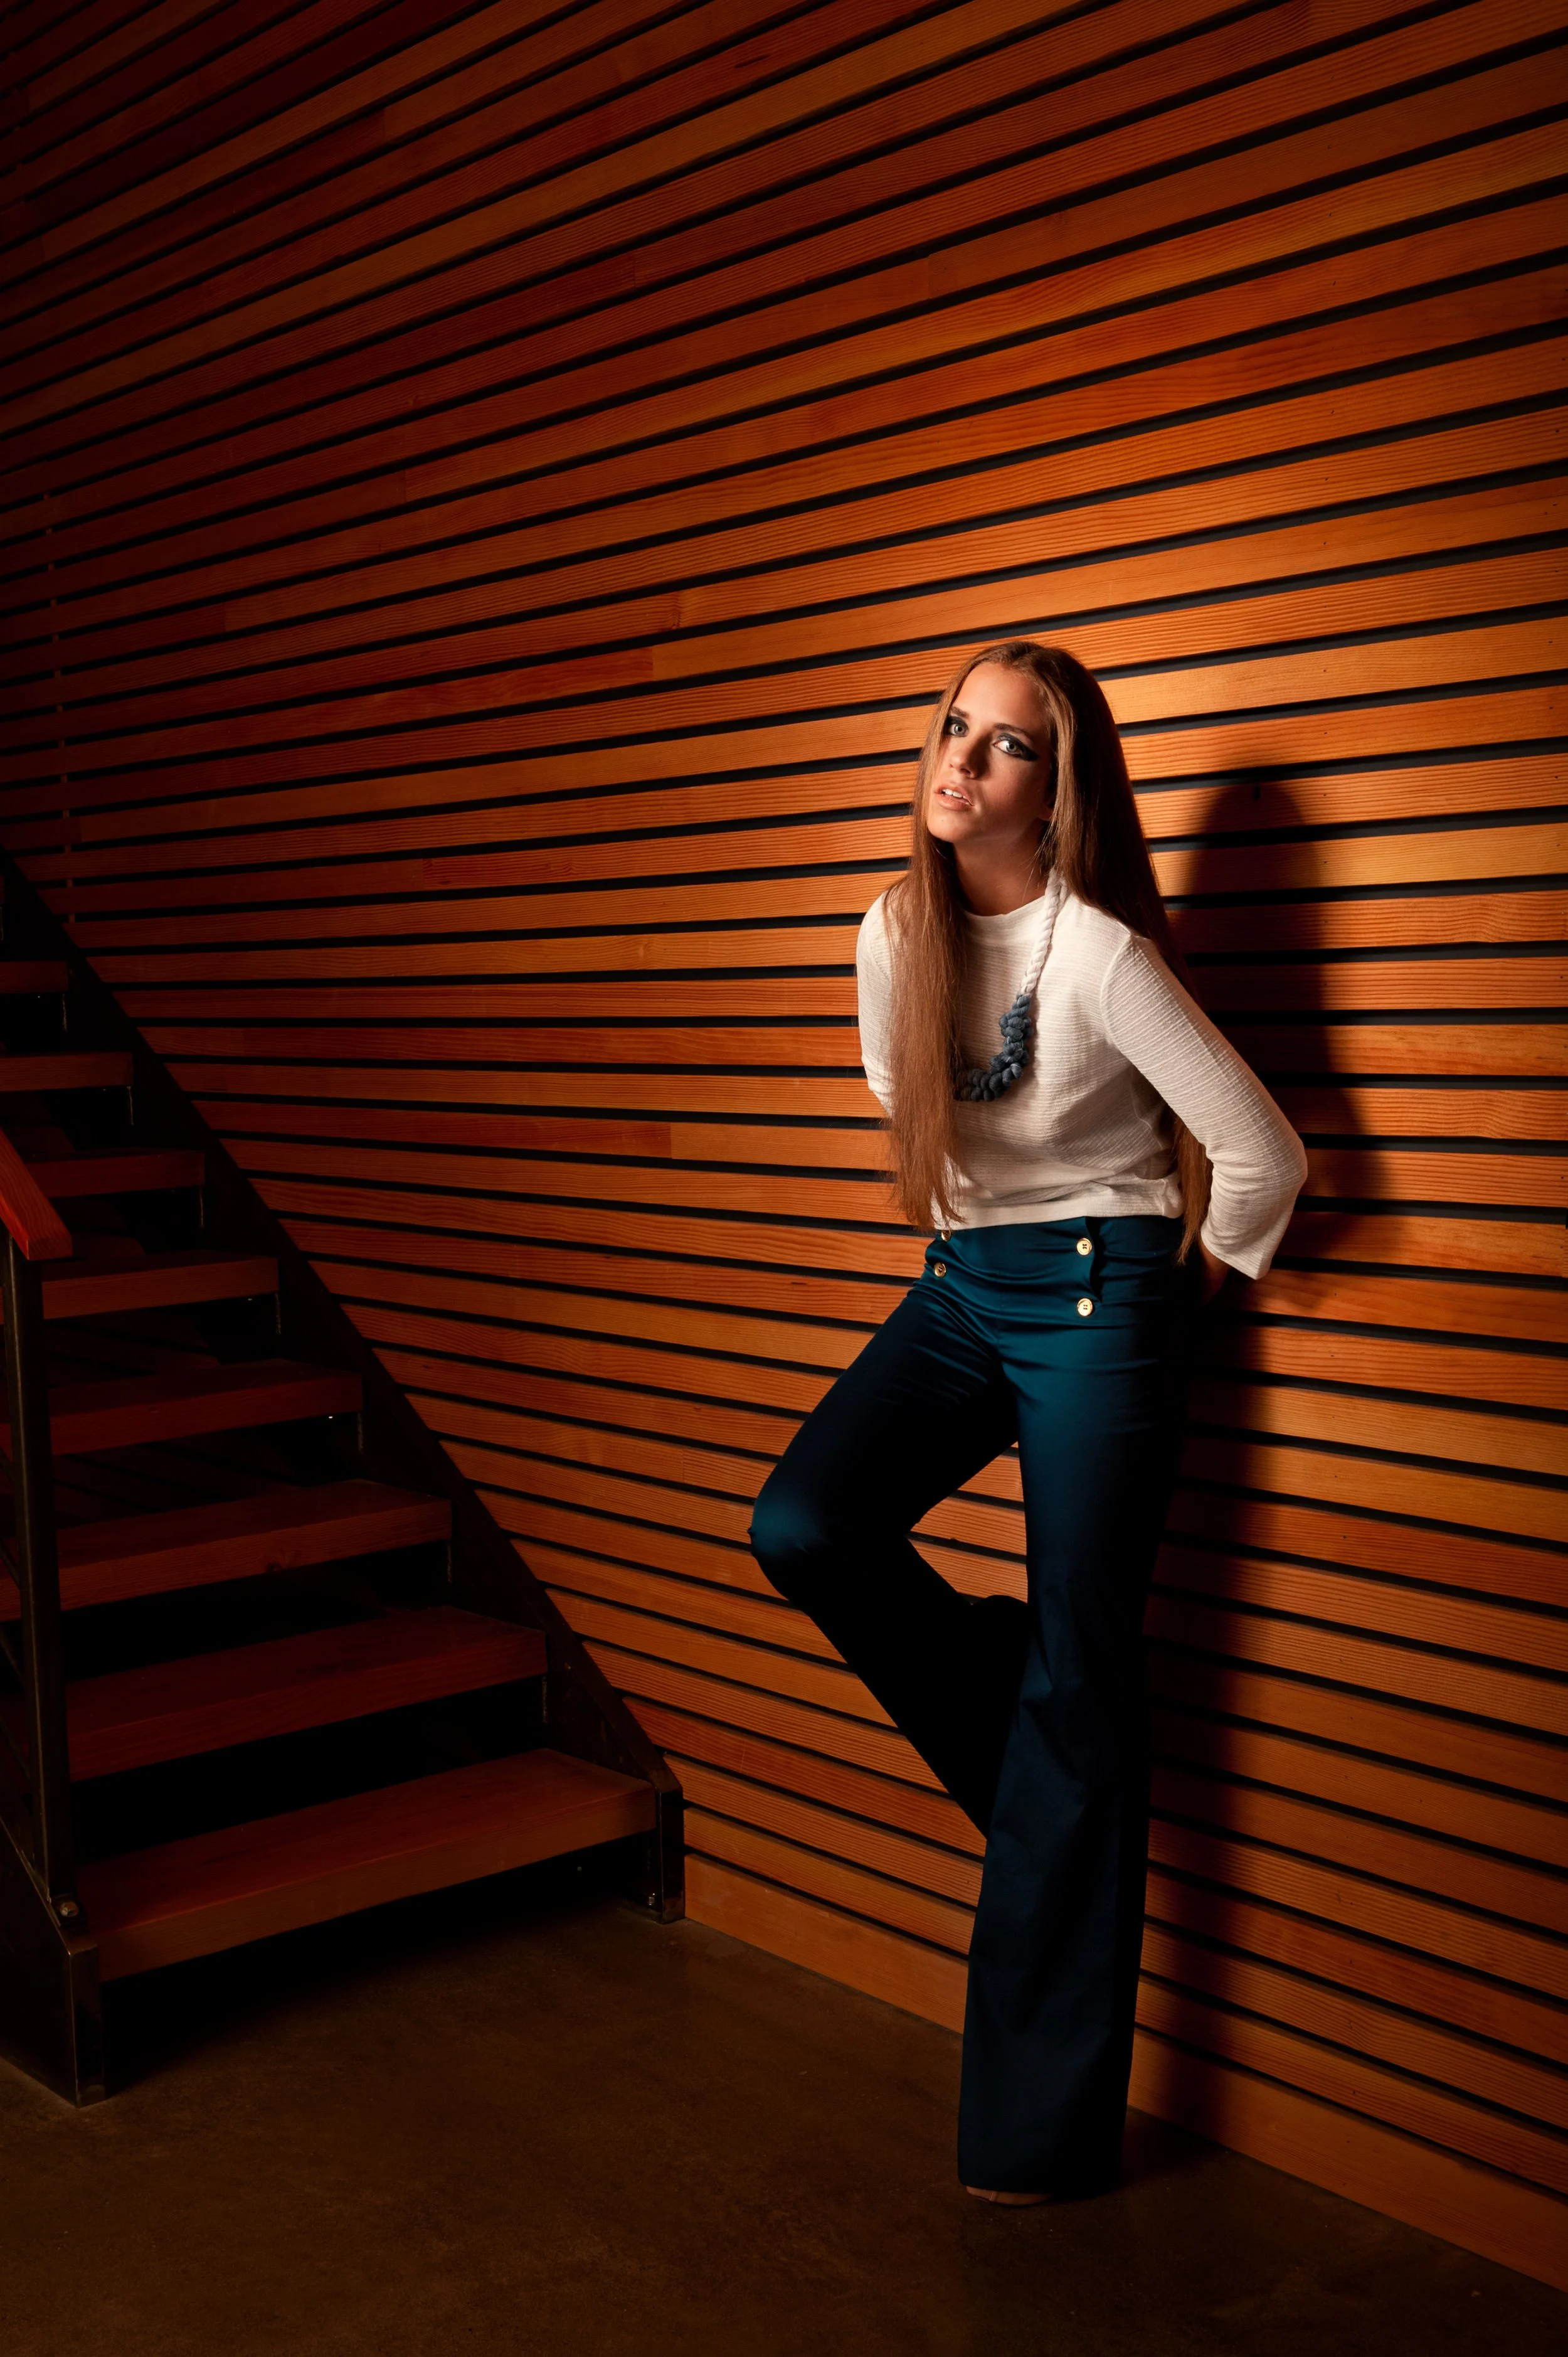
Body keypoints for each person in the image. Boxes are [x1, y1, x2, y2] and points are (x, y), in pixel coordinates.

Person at [749, 640, 1308, 2205]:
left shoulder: (1103, 956)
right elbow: (898, 1098)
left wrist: (1164, 1296)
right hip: (963, 1287)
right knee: (802, 1526)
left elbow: (1260, 1161)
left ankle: (1034, 2144)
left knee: (1084, 1672)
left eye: (1003, 748)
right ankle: (1047, 1724)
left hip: (1101, 1287)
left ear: (1056, 794)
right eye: (951, 730)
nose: (960, 764)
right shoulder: (890, 929)